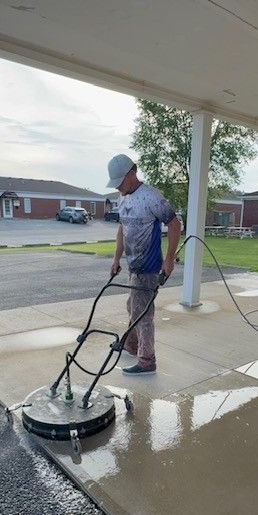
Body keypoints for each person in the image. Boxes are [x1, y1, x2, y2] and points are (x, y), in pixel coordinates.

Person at [107, 153, 181, 375]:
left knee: (143, 314)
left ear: (131, 173)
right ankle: (131, 344)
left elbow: (175, 224)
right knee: (133, 306)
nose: (118, 187)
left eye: (120, 181)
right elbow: (122, 229)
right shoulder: (123, 198)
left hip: (149, 268)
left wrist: (169, 260)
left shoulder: (152, 197)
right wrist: (116, 258)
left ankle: (147, 361)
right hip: (133, 266)